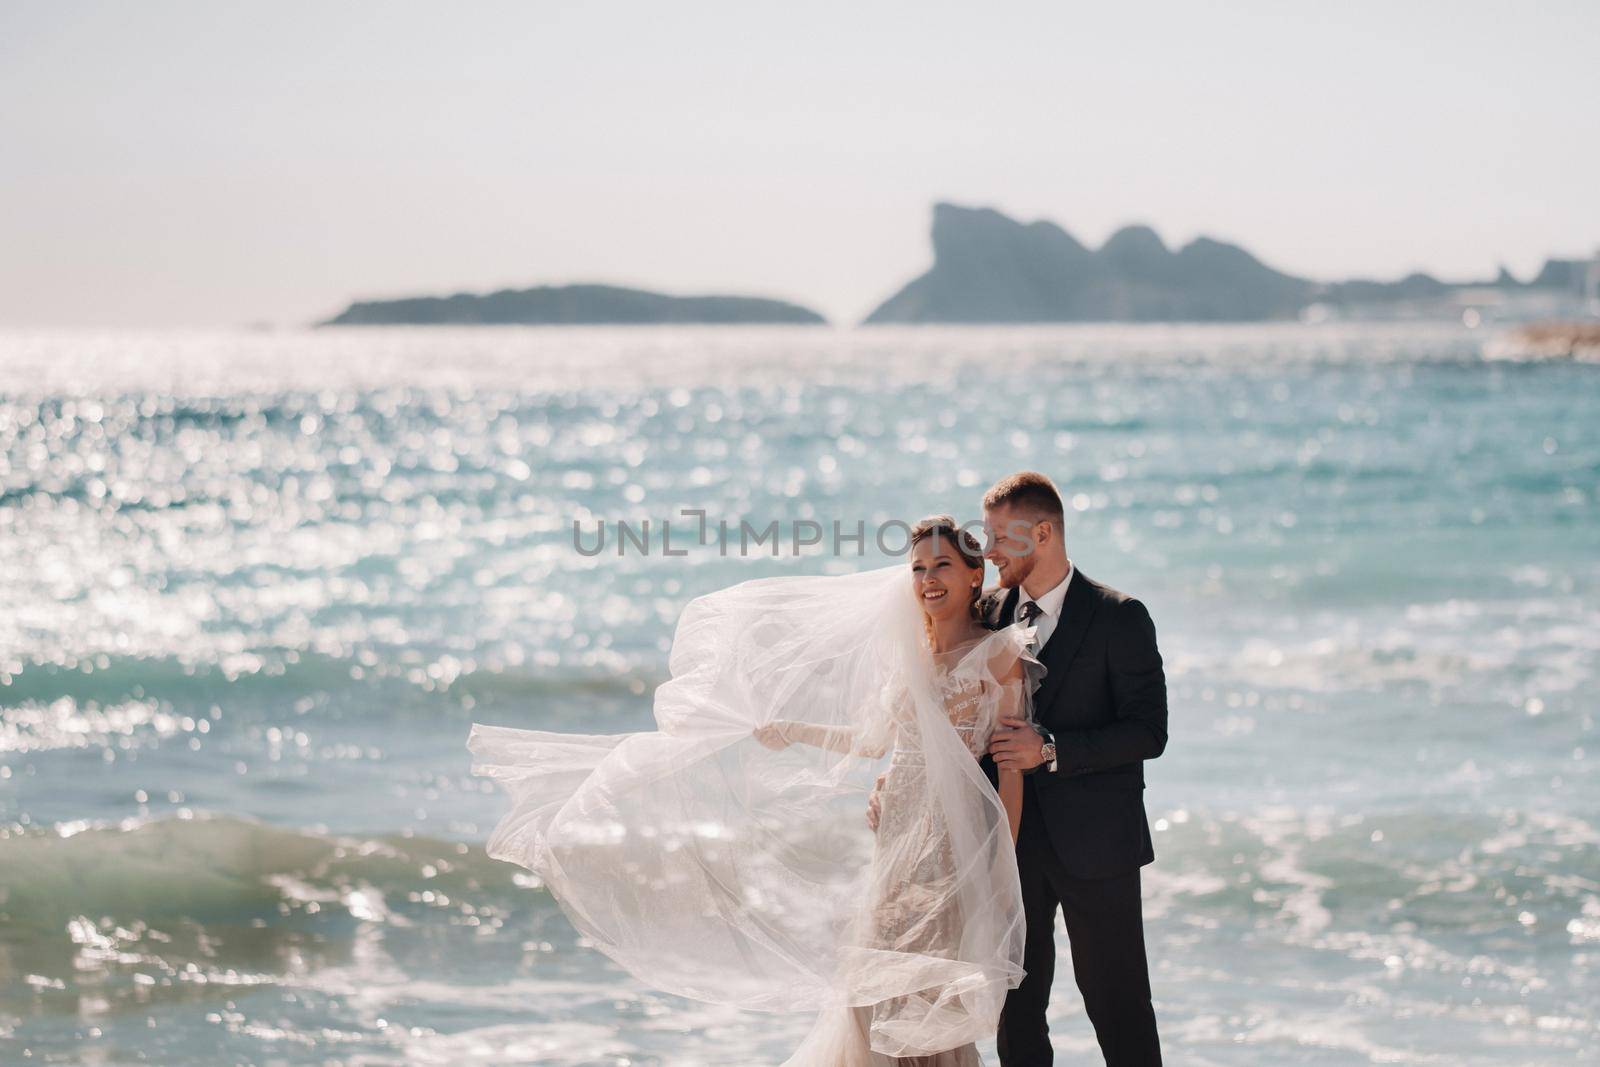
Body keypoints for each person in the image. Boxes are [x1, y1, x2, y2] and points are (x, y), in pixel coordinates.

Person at [469, 515, 1040, 1065]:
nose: (928, 580)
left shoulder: (998, 654)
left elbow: (1010, 767)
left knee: (925, 987)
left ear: (974, 575)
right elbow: (874, 741)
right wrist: (792, 730)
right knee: (874, 986)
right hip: (896, 837)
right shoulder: (906, 654)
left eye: (941, 565)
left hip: (952, 840)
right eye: (917, 568)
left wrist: (1000, 860)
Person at [980, 471, 1168, 1066]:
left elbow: (1148, 732)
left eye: (998, 539)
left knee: (1119, 1010)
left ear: (1042, 533)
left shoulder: (1120, 616)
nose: (986, 554)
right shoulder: (986, 616)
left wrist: (1051, 748)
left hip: (1099, 848)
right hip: (1010, 844)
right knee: (1016, 1014)